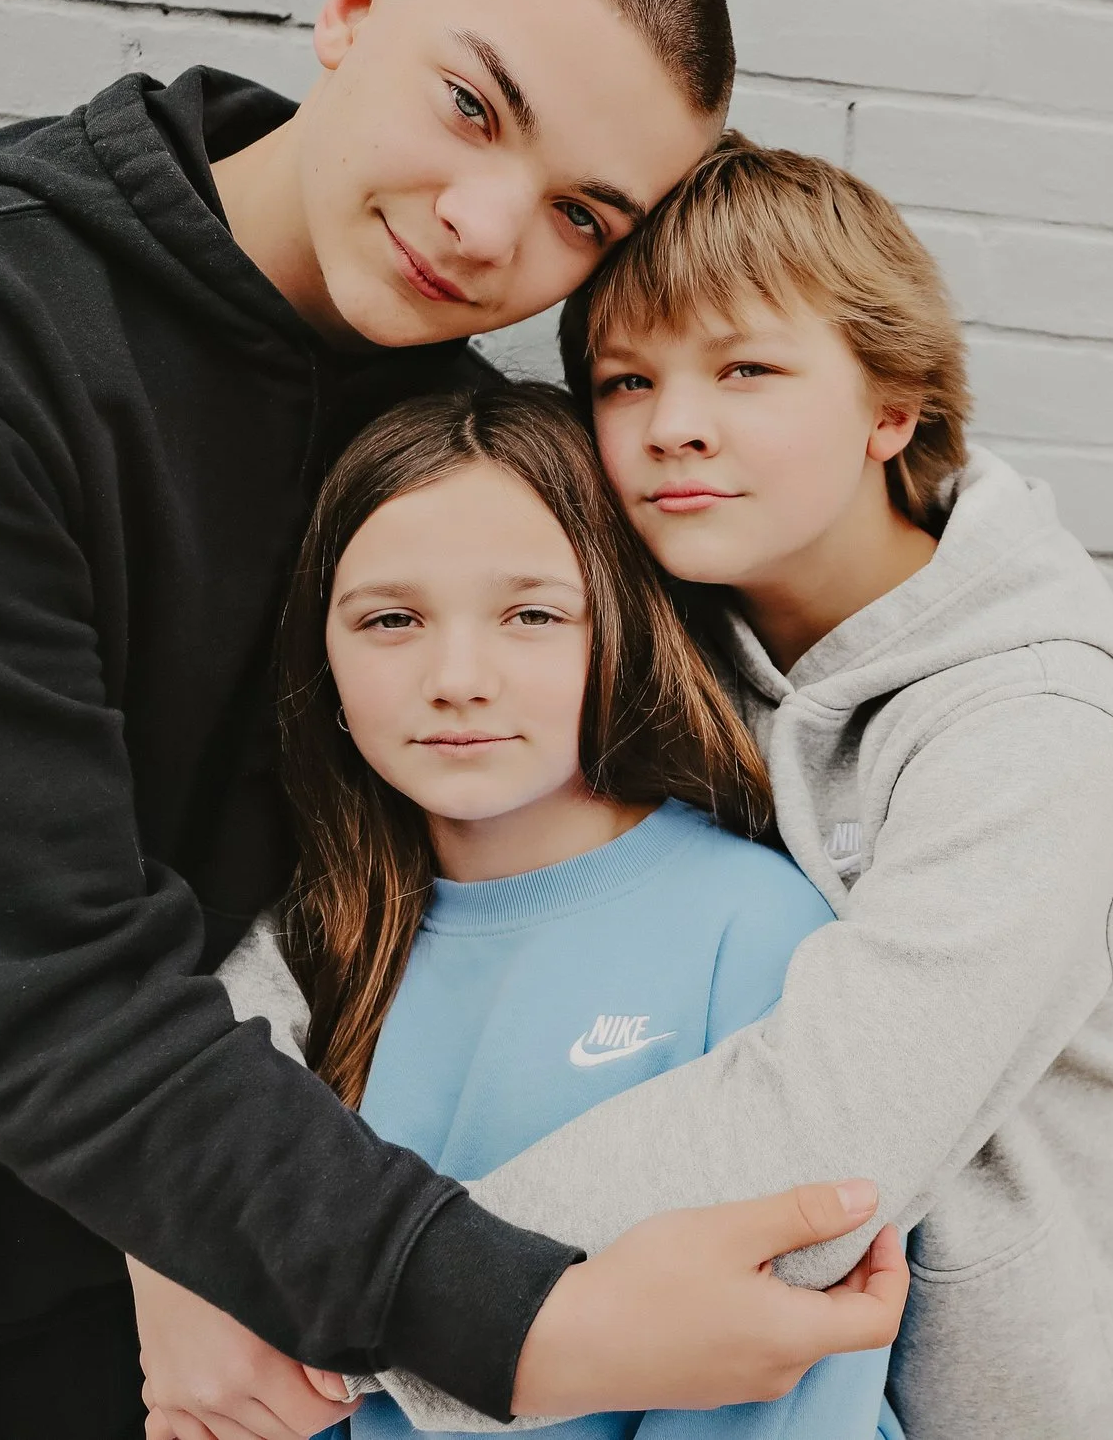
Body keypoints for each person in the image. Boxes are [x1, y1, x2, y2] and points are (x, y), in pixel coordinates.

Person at [0, 0, 901, 1440]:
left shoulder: (430, 431)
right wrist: (534, 1323)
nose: (482, 221)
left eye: (583, 212)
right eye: (470, 103)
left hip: (218, 1289)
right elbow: (40, 971)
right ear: (356, 8)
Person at [206, 136, 1113, 1437]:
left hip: (1009, 1396)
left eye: (745, 368)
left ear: (890, 408)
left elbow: (835, 1120)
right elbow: (341, 907)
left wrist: (357, 1319)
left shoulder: (1031, 725)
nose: (676, 420)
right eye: (627, 379)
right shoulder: (669, 623)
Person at [204, 382, 903, 1440]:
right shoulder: (307, 946)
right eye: (390, 619)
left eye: (531, 614)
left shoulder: (755, 929)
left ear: (619, 627)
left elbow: (780, 1382)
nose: (457, 678)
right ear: (323, 659)